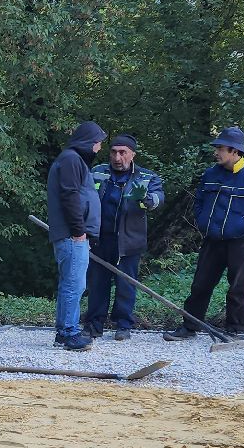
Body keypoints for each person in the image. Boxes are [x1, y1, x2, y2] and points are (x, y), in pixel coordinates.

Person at [166, 126, 244, 339]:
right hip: (212, 239)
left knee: (238, 287)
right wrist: (202, 221)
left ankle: (236, 330)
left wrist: (243, 225)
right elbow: (199, 201)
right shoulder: (210, 174)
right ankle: (190, 327)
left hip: (241, 241)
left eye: (220, 148)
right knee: (200, 284)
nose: (216, 152)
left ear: (235, 151)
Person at [82, 133, 164, 340]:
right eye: (114, 152)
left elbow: (158, 200)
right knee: (97, 283)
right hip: (99, 239)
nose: (117, 158)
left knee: (126, 284)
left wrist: (145, 199)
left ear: (132, 154)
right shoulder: (97, 172)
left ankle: (123, 325)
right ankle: (94, 325)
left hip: (129, 241)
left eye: (122, 153)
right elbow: (83, 198)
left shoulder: (147, 177)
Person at [45, 121, 104, 350]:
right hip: (72, 235)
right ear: (90, 142)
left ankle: (64, 331)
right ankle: (69, 333)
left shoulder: (72, 159)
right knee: (74, 285)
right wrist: (79, 230)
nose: (99, 148)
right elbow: (70, 196)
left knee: (69, 283)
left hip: (72, 234)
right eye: (98, 142)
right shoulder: (71, 160)